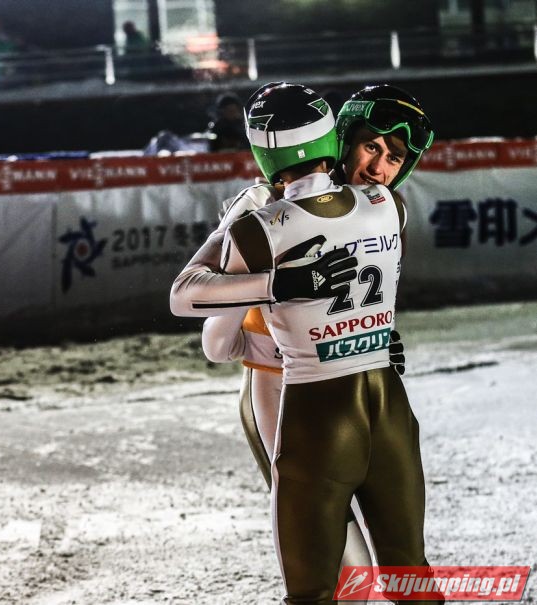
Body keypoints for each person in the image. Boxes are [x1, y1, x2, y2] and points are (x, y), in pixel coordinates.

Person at [174, 82, 437, 605]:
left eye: (393, 158)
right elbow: (217, 342)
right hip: (279, 393)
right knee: (356, 578)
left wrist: (367, 339)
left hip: (324, 397)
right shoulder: (269, 206)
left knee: (359, 576)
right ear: (340, 139)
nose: (379, 168)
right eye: (371, 147)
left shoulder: (366, 206)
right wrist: (293, 340)